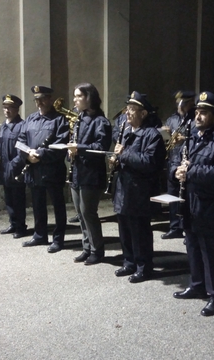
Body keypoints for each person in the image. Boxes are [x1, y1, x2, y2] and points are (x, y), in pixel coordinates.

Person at [171, 91, 214, 316]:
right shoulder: (192, 137)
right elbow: (175, 162)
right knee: (192, 245)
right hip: (190, 201)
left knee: (212, 252)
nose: (198, 117)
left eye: (204, 113)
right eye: (197, 112)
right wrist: (177, 171)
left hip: (212, 205)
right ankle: (198, 284)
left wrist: (190, 171)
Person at [110, 91, 166, 283]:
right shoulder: (126, 132)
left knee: (139, 230)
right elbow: (124, 157)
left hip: (139, 191)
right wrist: (115, 161)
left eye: (132, 110)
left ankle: (144, 266)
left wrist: (123, 154)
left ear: (143, 114)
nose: (128, 113)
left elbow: (149, 162)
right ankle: (129, 262)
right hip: (123, 188)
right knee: (124, 227)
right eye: (128, 109)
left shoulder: (152, 135)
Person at [18, 86, 70, 253]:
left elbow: (61, 146)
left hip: (52, 170)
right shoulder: (30, 119)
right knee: (37, 204)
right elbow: (20, 141)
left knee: (57, 206)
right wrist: (27, 155)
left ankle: (58, 239)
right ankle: (40, 235)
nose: (39, 103)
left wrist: (39, 154)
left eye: (42, 99)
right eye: (36, 100)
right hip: (33, 170)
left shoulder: (59, 120)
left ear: (49, 99)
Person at [66, 83, 112, 265]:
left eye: (78, 96)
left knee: (88, 213)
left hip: (91, 173)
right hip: (77, 171)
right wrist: (71, 149)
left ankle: (97, 250)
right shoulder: (80, 118)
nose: (75, 100)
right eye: (75, 96)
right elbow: (75, 141)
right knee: (80, 212)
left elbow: (101, 147)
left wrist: (79, 148)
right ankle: (86, 248)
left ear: (89, 97)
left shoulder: (101, 121)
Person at [0, 94, 28, 239]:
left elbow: (23, 149)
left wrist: (14, 165)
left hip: (16, 168)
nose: (7, 110)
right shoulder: (4, 126)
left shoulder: (22, 126)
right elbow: (1, 144)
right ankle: (13, 223)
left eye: (10, 108)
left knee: (18, 199)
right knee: (9, 199)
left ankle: (21, 227)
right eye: (5, 108)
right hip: (4, 168)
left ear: (17, 109)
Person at [161, 91, 195, 240]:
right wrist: (163, 132)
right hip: (173, 160)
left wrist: (186, 138)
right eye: (179, 103)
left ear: (190, 103)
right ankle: (174, 226)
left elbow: (200, 137)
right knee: (172, 195)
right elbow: (165, 137)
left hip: (188, 162)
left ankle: (187, 227)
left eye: (183, 103)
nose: (180, 106)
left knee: (186, 197)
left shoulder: (195, 118)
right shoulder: (173, 119)